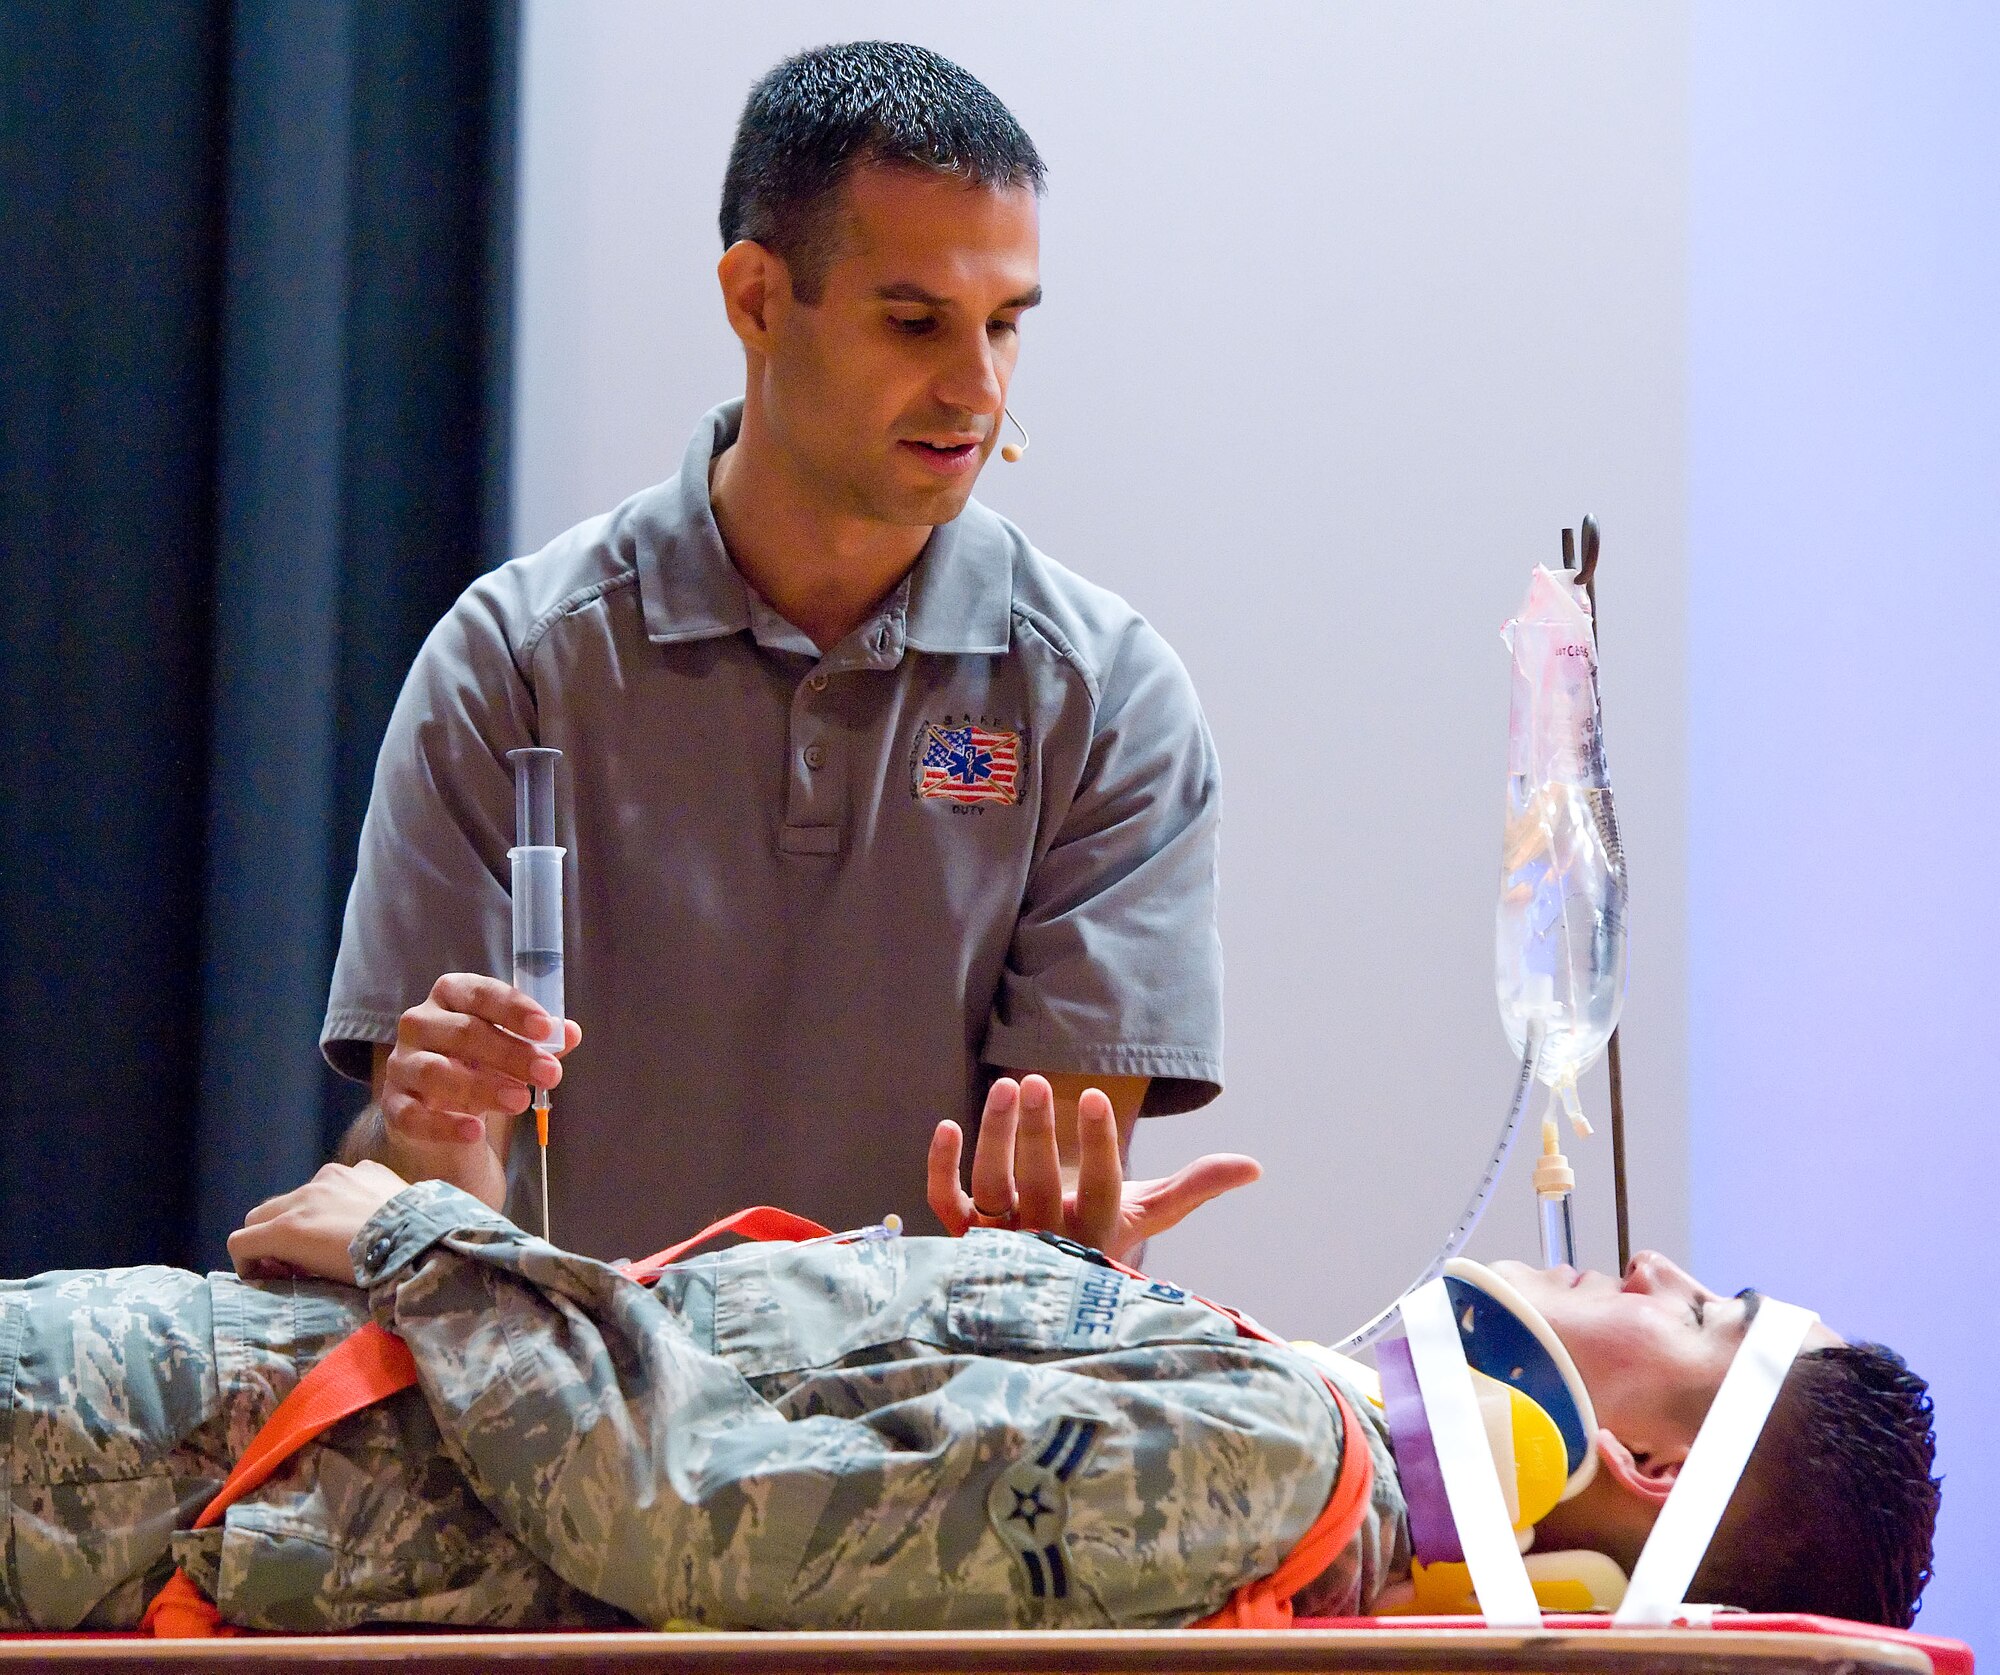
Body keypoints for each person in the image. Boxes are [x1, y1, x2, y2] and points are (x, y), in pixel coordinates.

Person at [321, 40, 1252, 1264]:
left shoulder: (1109, 702)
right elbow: (433, 1201)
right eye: (916, 322)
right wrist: (419, 1135)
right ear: (756, 298)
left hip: (930, 1438)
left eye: (1004, 325)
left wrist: (1076, 1252)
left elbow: (1035, 1241)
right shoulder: (509, 664)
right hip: (559, 1435)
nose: (976, 389)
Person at [0, 1153, 1938, 1634]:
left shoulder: (1275, 1460)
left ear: (1644, 1453)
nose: (1658, 1268)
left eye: (1711, 1307)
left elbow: (689, 1503)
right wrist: (1040, 1280)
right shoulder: (1272, 1440)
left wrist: (416, 1227)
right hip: (164, 1443)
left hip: (133, 1464)